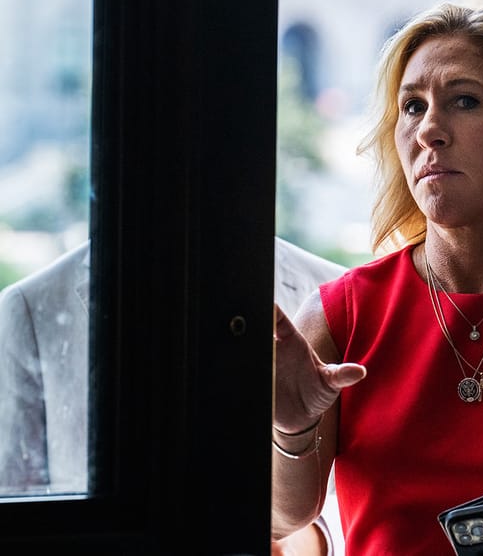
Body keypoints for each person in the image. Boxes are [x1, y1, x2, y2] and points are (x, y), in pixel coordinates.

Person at [271, 2, 483, 554]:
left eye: (465, 100)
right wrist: (291, 427)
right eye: (413, 106)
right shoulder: (341, 316)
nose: (429, 129)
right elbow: (281, 518)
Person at [0, 236, 346, 554]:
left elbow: (359, 497)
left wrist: (302, 542)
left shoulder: (331, 295)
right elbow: (18, 506)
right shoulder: (31, 307)